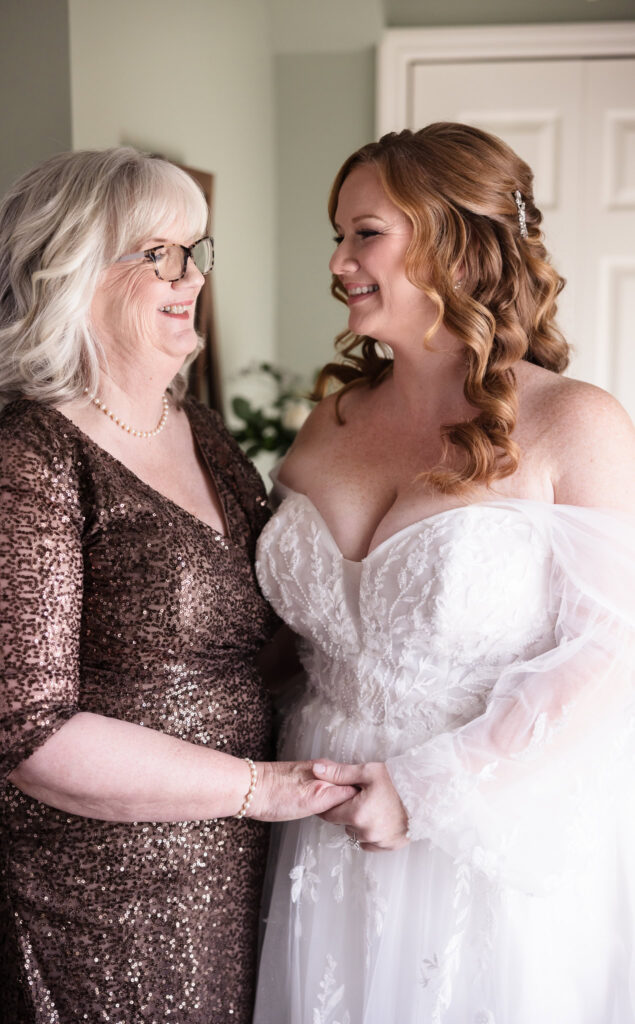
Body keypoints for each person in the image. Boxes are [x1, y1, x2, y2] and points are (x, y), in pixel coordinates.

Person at [0, 146, 355, 1023]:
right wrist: (263, 788)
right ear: (75, 269)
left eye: (195, 251)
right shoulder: (22, 464)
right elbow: (22, 732)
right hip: (81, 888)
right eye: (160, 254)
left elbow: (250, 634)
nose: (192, 277)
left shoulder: (197, 428)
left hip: (227, 863)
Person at [253, 123, 635, 1024]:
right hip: (316, 825)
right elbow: (292, 638)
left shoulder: (572, 423)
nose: (340, 260)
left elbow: (609, 650)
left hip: (486, 830)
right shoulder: (329, 422)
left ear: (456, 240)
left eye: (365, 232)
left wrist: (425, 791)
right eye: (337, 235)